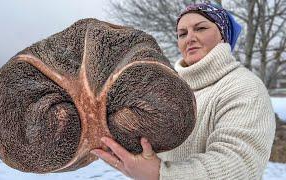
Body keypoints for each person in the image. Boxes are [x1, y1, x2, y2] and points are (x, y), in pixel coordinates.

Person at [90, 2, 276, 180]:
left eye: (201, 28)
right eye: (182, 33)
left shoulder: (244, 86)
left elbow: (239, 165)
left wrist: (161, 174)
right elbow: (149, 150)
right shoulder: (165, 89)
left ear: (223, 35)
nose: (190, 38)